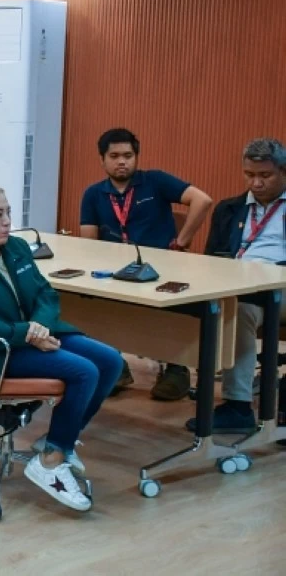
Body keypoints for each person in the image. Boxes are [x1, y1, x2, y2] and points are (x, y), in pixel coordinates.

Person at [0, 183, 124, 512]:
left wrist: (40, 326)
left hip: (32, 336)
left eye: (8, 212)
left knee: (110, 361)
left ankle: (59, 441)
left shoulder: (17, 248)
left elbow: (45, 295)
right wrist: (27, 333)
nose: (8, 220)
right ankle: (51, 460)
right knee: (83, 372)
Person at [79, 128, 213, 400]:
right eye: (114, 156)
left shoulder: (155, 181)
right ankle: (116, 365)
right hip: (116, 272)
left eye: (128, 155)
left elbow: (202, 200)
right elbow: (88, 243)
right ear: (102, 160)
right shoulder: (93, 194)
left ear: (136, 157)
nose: (122, 162)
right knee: (90, 300)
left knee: (174, 305)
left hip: (162, 270)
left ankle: (177, 369)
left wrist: (182, 241)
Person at [188, 138, 286, 435]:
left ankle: (244, 404)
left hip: (281, 287)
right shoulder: (229, 209)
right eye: (249, 175)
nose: (255, 183)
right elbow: (212, 259)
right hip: (239, 286)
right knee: (231, 308)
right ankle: (232, 402)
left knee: (239, 308)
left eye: (264, 176)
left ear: (283, 171)